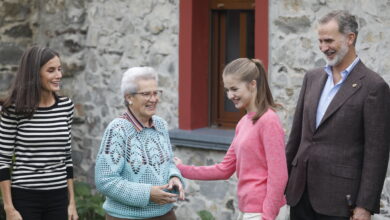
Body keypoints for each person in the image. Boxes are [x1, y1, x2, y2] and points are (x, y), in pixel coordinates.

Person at [285, 10, 390, 220]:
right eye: (320, 41)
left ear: (350, 38)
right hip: (299, 195)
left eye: (329, 40)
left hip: (340, 201)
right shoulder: (312, 78)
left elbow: (376, 154)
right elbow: (296, 138)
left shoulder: (374, 86)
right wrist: (281, 185)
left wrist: (365, 206)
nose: (324, 48)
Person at [174, 58, 288, 220]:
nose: (230, 95)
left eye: (234, 89)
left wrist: (267, 216)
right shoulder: (243, 123)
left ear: (252, 84)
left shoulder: (269, 120)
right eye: (227, 90)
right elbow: (224, 169)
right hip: (247, 209)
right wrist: (183, 169)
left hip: (263, 211)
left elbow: (279, 175)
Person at [95, 67, 185, 220]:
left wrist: (174, 177)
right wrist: (148, 194)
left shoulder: (160, 125)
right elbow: (105, 180)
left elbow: (168, 163)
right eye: (146, 94)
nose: (153, 99)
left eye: (156, 93)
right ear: (129, 97)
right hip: (126, 217)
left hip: (165, 215)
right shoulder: (118, 129)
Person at [0, 46, 78, 220]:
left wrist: (71, 203)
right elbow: (3, 161)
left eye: (59, 69)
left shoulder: (66, 107)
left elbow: (67, 157)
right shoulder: (13, 110)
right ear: (34, 74)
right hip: (25, 198)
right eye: (51, 70)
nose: (58, 75)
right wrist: (9, 209)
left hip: (59, 198)